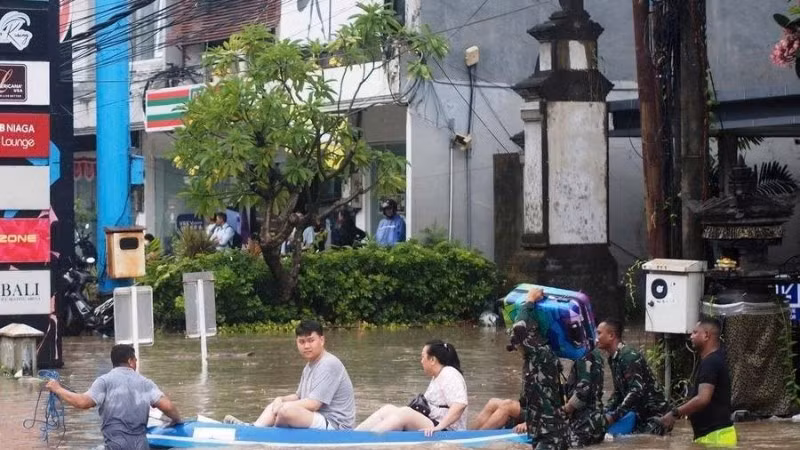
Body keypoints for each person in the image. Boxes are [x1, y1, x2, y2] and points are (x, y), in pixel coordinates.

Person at [45, 344, 181, 450]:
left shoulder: (104, 381)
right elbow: (168, 406)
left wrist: (58, 389)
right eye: (135, 360)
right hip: (141, 445)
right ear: (130, 361)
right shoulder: (146, 383)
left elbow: (83, 402)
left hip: (115, 445)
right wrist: (176, 420)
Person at [226, 320, 355, 430]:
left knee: (286, 411)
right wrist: (280, 399)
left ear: (321, 340)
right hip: (315, 417)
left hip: (336, 426)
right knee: (277, 403)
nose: (306, 346)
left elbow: (314, 404)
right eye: (302, 342)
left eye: (311, 341)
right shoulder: (309, 366)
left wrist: (283, 407)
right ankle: (255, 428)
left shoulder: (328, 363)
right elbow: (299, 396)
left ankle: (269, 434)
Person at [356, 340, 468, 435]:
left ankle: (369, 440)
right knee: (388, 409)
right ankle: (354, 435)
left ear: (432, 360)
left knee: (405, 412)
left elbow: (460, 404)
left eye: (423, 357)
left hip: (446, 430)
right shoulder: (438, 376)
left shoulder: (449, 373)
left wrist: (438, 428)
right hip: (432, 423)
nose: (421, 361)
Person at [659, 318, 736, 446]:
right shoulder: (712, 360)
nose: (691, 336)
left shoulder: (711, 362)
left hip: (716, 438)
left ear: (706, 335)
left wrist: (674, 413)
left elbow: (702, 399)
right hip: (713, 436)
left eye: (695, 332)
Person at [509, 288, 568, 450]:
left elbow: (518, 329)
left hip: (549, 433)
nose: (517, 347)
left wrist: (529, 301)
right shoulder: (538, 355)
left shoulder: (540, 352)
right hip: (544, 430)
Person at [596, 319, 670, 435]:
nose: (597, 338)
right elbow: (619, 392)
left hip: (655, 416)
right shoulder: (613, 359)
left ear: (611, 336)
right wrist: (604, 412)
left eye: (599, 333)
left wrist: (614, 416)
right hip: (638, 414)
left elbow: (636, 391)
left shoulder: (628, 356)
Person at [563, 344, 607, 447]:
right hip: (596, 421)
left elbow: (582, 391)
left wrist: (564, 410)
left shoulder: (583, 355)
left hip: (585, 423)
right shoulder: (594, 353)